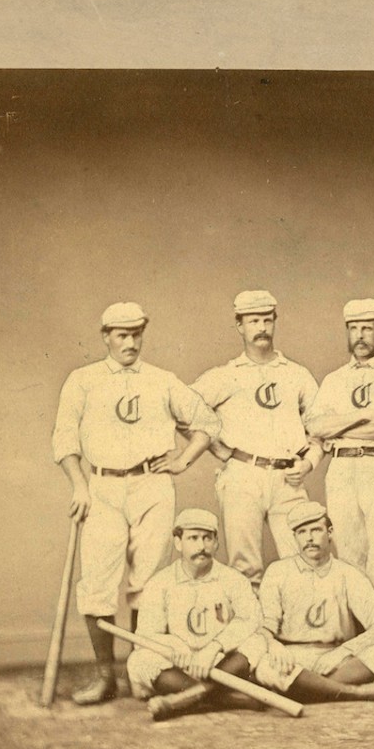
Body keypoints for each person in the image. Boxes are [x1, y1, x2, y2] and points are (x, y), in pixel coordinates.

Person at [51, 301, 220, 705]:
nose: (130, 342)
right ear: (106, 337)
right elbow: (64, 438)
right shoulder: (84, 380)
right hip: (103, 486)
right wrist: (79, 484)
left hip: (153, 486)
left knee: (147, 584)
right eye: (121, 335)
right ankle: (104, 677)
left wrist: (182, 459)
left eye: (136, 334)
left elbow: (207, 423)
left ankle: (138, 673)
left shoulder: (162, 380)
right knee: (97, 584)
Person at [190, 290, 324, 588]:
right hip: (242, 476)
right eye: (253, 321)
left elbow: (319, 429)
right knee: (244, 569)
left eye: (267, 320)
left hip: (288, 478)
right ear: (240, 326)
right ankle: (251, 634)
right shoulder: (226, 375)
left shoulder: (297, 374)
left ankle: (299, 635)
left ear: (275, 322)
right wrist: (216, 446)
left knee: (304, 561)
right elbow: (183, 409)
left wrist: (309, 463)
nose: (261, 328)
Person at [305, 298, 374, 624]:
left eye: (367, 328)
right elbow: (315, 426)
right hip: (341, 469)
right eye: (353, 328)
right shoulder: (334, 380)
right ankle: (360, 645)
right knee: (349, 558)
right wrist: (364, 416)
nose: (360, 336)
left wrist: (341, 423)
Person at [252, 501, 374, 703]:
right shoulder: (278, 571)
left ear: (330, 532)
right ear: (295, 538)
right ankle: (358, 693)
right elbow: (265, 626)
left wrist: (340, 653)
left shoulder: (348, 574)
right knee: (264, 666)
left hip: (338, 657)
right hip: (293, 656)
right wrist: (274, 646)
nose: (309, 538)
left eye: (316, 530)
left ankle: (308, 690)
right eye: (302, 532)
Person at [124, 509, 267, 721]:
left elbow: (250, 620)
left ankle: (178, 702)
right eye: (193, 538)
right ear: (178, 542)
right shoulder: (160, 583)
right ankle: (232, 699)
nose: (201, 546)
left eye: (207, 538)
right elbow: (144, 636)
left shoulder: (232, 578)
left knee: (257, 642)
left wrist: (214, 647)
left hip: (221, 663)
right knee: (139, 660)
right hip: (181, 665)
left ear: (216, 542)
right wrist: (173, 644)